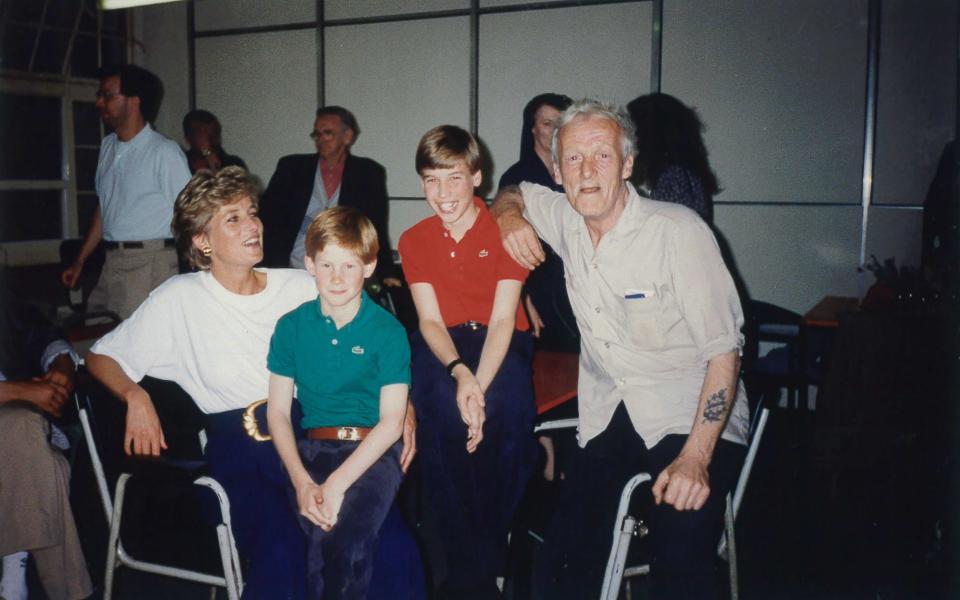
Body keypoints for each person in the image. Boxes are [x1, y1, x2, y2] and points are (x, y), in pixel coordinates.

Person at [85, 167, 419, 600]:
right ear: (202, 241)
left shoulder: (300, 286)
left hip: (313, 439)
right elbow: (99, 355)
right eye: (233, 218)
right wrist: (135, 395)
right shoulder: (178, 299)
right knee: (284, 548)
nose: (253, 225)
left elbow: (376, 344)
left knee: (388, 544)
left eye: (252, 212)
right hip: (238, 452)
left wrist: (403, 407)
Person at [492, 99, 750, 599]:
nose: (586, 171)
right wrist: (507, 217)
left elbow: (725, 350)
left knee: (679, 547)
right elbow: (514, 192)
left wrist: (696, 457)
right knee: (561, 556)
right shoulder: (566, 218)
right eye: (572, 159)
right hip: (611, 414)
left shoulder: (678, 233)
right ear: (558, 168)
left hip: (691, 412)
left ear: (627, 164)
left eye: (602, 156)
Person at [398, 125, 538, 599]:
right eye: (431, 180)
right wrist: (460, 375)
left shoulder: (505, 230)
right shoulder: (414, 239)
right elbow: (430, 322)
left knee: (512, 419)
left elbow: (503, 320)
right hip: (443, 344)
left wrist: (478, 384)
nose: (443, 194)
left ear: (476, 177)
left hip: (501, 338)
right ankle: (465, 568)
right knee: (440, 417)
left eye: (454, 178)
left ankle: (490, 545)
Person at [267, 206, 409, 599]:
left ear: (369, 266)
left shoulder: (388, 331)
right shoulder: (291, 326)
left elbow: (393, 422)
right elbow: (277, 412)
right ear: (309, 264)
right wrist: (301, 480)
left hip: (372, 453)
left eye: (349, 266)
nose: (337, 278)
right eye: (327, 265)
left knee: (349, 543)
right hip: (311, 449)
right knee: (315, 550)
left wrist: (336, 484)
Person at [61, 64, 191, 319]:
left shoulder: (163, 152)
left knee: (135, 352)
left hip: (149, 263)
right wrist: (80, 260)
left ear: (134, 101)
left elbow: (192, 214)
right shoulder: (108, 147)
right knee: (96, 337)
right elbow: (105, 207)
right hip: (111, 262)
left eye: (107, 95)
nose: (99, 102)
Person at [0, 284, 93, 600]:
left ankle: (14, 581)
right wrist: (19, 391)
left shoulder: (9, 307)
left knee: (28, 442)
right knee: (41, 459)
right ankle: (57, 590)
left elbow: (46, 335)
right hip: (20, 432)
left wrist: (61, 367)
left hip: (18, 436)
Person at [259, 106, 399, 287]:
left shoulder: (368, 173)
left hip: (341, 273)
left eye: (328, 133)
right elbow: (267, 217)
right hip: (289, 270)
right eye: (317, 134)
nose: (320, 139)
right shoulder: (291, 168)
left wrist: (387, 272)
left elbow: (375, 227)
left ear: (348, 136)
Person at [498, 93, 579, 353]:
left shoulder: (574, 173)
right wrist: (522, 295)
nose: (555, 131)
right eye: (547, 123)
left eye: (560, 123)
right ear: (532, 129)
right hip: (542, 290)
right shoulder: (517, 175)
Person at [627, 92, 719, 223]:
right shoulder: (682, 173)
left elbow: (664, 230)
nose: (631, 139)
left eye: (634, 132)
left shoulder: (673, 178)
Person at [182, 109, 247, 174]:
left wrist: (208, 154)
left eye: (213, 134)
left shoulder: (233, 164)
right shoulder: (180, 163)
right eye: (200, 133)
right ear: (188, 138)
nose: (208, 140)